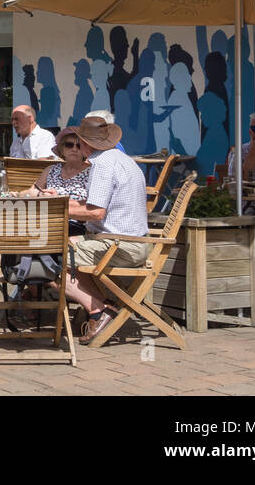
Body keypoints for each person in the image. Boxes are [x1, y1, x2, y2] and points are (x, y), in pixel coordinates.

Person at [64, 116, 150, 345]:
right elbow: (95, 208)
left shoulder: (101, 164)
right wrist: (62, 204)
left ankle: (100, 311)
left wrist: (58, 209)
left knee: (49, 256)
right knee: (65, 242)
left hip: (119, 245)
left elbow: (95, 213)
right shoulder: (121, 159)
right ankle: (101, 305)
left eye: (77, 141)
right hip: (133, 242)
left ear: (84, 143)